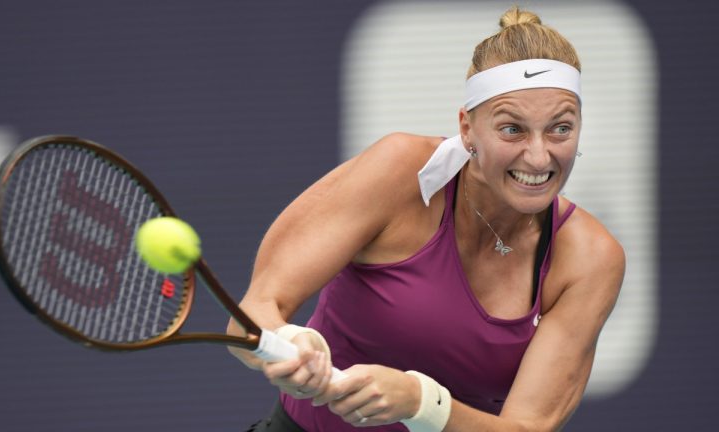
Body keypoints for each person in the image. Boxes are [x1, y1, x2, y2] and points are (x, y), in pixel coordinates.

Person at [229, 6, 625, 432]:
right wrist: (289, 344)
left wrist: (422, 403)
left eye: (560, 129)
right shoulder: (396, 172)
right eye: (512, 129)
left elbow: (528, 427)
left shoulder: (590, 258)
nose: (539, 155)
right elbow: (253, 314)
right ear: (468, 129)